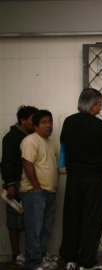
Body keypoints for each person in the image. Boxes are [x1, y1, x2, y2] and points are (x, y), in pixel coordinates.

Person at [59, 88, 102, 270]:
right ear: (92, 105)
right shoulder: (100, 126)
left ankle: (70, 259)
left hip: (74, 178)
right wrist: (98, 166)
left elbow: (64, 147)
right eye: (99, 103)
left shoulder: (69, 122)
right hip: (95, 179)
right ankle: (87, 262)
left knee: (72, 217)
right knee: (91, 219)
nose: (101, 106)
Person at [20, 110, 59, 270]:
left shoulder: (51, 142)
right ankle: (33, 264)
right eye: (43, 122)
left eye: (50, 121)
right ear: (35, 126)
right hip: (34, 193)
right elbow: (27, 164)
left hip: (49, 192)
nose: (48, 125)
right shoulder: (30, 140)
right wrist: (36, 187)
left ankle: (41, 258)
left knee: (45, 229)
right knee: (34, 229)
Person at [1, 105, 38, 268]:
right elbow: (7, 163)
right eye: (33, 119)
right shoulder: (12, 137)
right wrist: (10, 184)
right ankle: (16, 254)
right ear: (23, 121)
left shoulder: (34, 137)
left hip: (30, 184)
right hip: (15, 184)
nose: (36, 123)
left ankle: (31, 254)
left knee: (32, 221)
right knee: (15, 222)